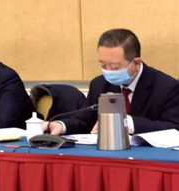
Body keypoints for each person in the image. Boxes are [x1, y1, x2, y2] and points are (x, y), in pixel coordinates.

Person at [44, 28, 179, 135]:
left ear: (136, 63)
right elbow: (85, 120)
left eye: (114, 67)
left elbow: (175, 127)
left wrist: (128, 123)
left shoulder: (167, 87)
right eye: (103, 65)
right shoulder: (99, 84)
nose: (108, 71)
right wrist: (62, 126)